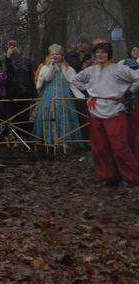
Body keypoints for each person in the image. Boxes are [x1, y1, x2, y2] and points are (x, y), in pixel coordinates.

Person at [70, 42, 139, 186]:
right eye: (97, 52)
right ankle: (109, 177)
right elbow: (75, 81)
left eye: (103, 52)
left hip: (115, 110)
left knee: (120, 146)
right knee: (100, 147)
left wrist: (129, 92)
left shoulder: (119, 69)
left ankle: (132, 176)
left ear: (108, 54)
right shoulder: (90, 70)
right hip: (95, 110)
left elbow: (137, 78)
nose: (100, 55)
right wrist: (86, 92)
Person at [32, 45, 79, 146]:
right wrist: (52, 67)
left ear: (62, 56)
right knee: (49, 114)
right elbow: (47, 78)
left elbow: (74, 82)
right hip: (49, 96)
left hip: (63, 96)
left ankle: (64, 141)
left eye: (57, 54)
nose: (55, 56)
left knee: (63, 115)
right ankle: (49, 140)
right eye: (52, 54)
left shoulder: (68, 68)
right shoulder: (46, 67)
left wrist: (79, 95)